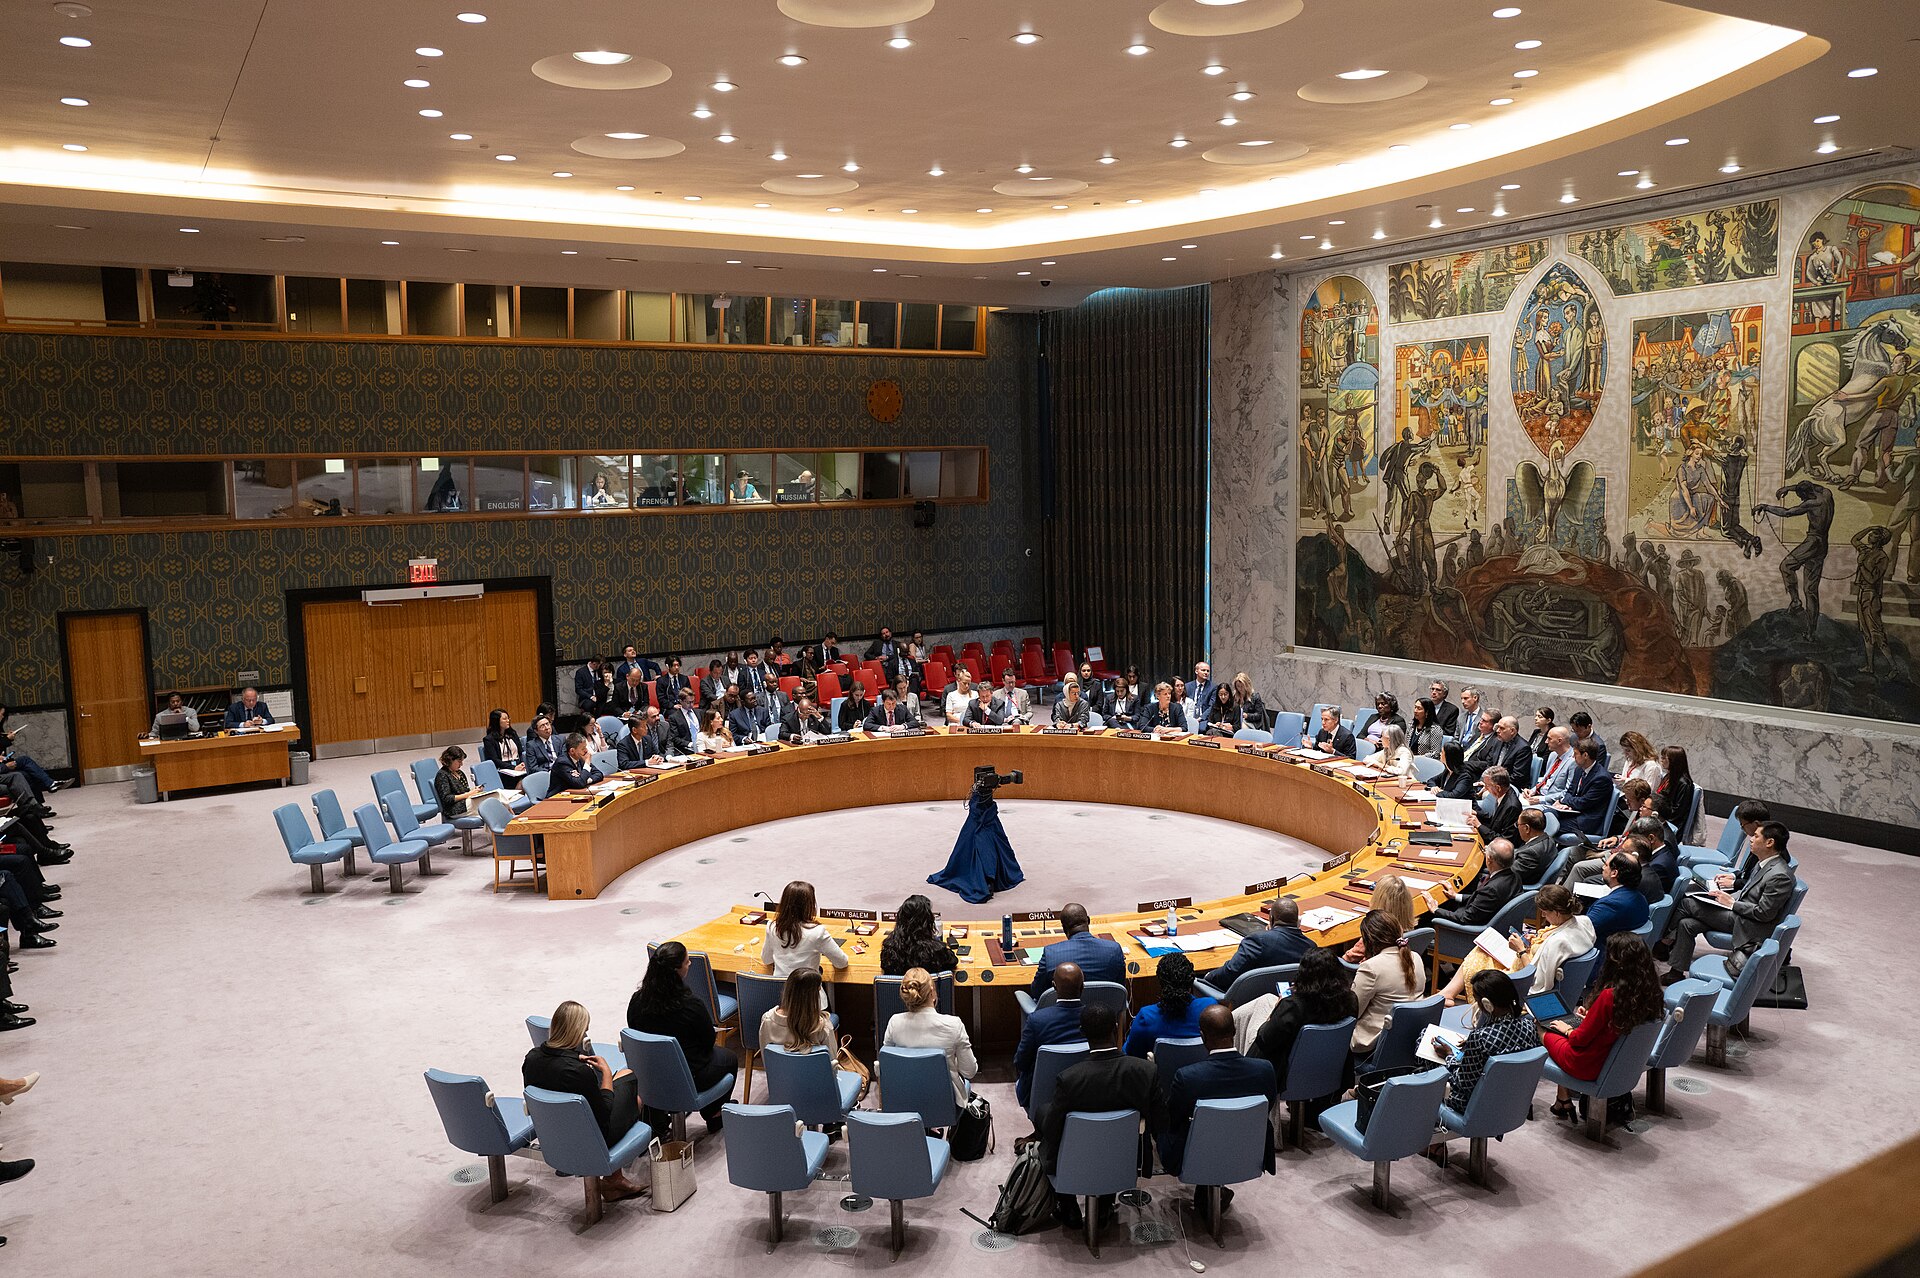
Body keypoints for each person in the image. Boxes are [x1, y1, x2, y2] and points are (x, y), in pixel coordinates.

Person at [1039, 1002, 1160, 1229]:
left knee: (1044, 1116)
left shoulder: (1069, 1079)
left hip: (1074, 1160)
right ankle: (1105, 1204)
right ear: (1116, 1027)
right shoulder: (1146, 1071)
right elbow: (1160, 1122)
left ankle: (1067, 1205)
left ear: (1082, 1032)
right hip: (1128, 1159)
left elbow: (1052, 1132)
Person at [522, 1000, 645, 1199]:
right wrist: (605, 1072)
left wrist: (570, 1057)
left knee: (623, 1081)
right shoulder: (579, 1073)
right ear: (577, 1033)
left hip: (553, 1134)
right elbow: (604, 1112)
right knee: (630, 1082)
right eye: (584, 1031)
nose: (584, 1035)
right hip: (591, 1138)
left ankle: (614, 1180)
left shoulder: (531, 1059)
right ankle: (613, 1181)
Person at [1543, 932, 1662, 1121]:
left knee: (1542, 1029)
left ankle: (1552, 1099)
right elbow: (1614, 1025)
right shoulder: (1650, 992)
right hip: (1613, 1060)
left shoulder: (1609, 996)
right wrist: (1591, 1017)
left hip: (1588, 1063)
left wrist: (1568, 1029)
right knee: (1560, 1028)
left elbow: (1578, 1040)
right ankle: (1562, 1101)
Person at [1159, 1003, 1278, 1184]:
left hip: (1196, 1156)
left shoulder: (1187, 1077)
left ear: (1202, 1036)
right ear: (1235, 1031)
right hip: (1250, 1149)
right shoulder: (1265, 1070)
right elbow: (1267, 1108)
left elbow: (1173, 1121)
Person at [1663, 820, 1795, 980]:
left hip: (1749, 926)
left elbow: (1764, 913)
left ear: (1769, 842)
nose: (1751, 839)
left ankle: (1662, 943)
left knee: (1687, 903)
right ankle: (1676, 973)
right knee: (1687, 924)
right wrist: (1724, 896)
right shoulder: (1765, 862)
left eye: (1756, 836)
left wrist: (1731, 903)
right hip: (1740, 914)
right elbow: (1749, 892)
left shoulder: (1780, 875)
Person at [627, 942, 737, 1132]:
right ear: (678, 970)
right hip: (689, 1074)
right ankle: (713, 1114)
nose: (690, 964)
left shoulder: (637, 1001)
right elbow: (708, 1039)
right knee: (730, 1058)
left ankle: (659, 1116)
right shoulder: (690, 1005)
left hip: (650, 1072)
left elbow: (634, 1030)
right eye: (687, 962)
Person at [1439, 883, 1591, 1004]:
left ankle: (1448, 994)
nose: (1543, 916)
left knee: (1478, 955)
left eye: (1545, 912)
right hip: (1529, 959)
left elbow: (1536, 980)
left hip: (1522, 979)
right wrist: (1534, 941)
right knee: (1481, 950)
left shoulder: (1557, 943)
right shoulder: (1584, 922)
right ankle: (1449, 993)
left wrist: (1521, 951)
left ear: (1557, 912)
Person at [1435, 969, 1541, 1118]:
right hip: (1510, 1103)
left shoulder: (1480, 1038)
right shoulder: (1530, 1027)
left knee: (1427, 1062)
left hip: (1473, 1106)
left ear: (1487, 1004)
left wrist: (1449, 1056)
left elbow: (1463, 1083)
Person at [1250, 947, 1360, 1081]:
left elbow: (1264, 1040)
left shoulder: (1293, 1006)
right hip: (1331, 1071)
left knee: (1255, 1020)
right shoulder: (1351, 1000)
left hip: (1288, 1075)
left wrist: (1276, 1008)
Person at [926, 765, 1026, 903]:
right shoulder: (979, 809)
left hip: (985, 814)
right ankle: (986, 879)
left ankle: (989, 879)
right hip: (981, 815)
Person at [882, 967, 977, 1102]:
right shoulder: (954, 1024)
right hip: (944, 1103)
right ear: (932, 992)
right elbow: (969, 1071)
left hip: (904, 1099)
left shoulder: (894, 1022)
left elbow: (887, 1066)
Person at [1013, 963, 1088, 1112]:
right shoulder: (1096, 1017)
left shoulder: (1037, 1020)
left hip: (1042, 1094)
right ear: (1082, 987)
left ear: (1054, 987)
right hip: (1085, 1090)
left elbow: (1020, 1062)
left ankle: (1040, 1130)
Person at [1350, 910, 1425, 1059]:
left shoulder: (1371, 968)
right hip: (1409, 1037)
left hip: (1373, 1044)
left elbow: (1353, 1012)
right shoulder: (1415, 957)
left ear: (1369, 940)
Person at [1122, 953, 1216, 1057]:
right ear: (1191, 980)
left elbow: (1131, 1053)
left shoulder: (1146, 1017)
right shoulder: (1210, 1009)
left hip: (1160, 1072)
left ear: (1160, 983)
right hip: (1201, 1071)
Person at [761, 880, 850, 988]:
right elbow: (841, 963)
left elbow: (766, 959)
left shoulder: (772, 927)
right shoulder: (817, 932)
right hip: (810, 1000)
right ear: (810, 906)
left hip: (782, 999)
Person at [1027, 902, 1126, 996]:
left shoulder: (1051, 953)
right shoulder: (1114, 949)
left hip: (1065, 1013)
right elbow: (1120, 989)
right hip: (1104, 1012)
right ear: (1088, 920)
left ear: (1064, 928)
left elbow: (1037, 991)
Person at [1211, 897, 1312, 988]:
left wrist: (1207, 976)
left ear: (1271, 919)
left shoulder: (1258, 941)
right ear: (1298, 922)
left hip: (1250, 998)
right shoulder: (1311, 947)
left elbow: (1229, 973)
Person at [1434, 838, 1519, 927]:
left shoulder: (1491, 890)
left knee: (1428, 917)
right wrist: (1456, 896)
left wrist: (1436, 910)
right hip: (1493, 917)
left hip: (1475, 929)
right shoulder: (1515, 876)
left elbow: (1465, 918)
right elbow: (1482, 900)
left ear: (1489, 859)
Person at [758, 968, 836, 1051]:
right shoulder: (823, 1027)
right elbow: (831, 1060)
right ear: (813, 997)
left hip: (777, 1064)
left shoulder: (767, 1020)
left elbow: (766, 1057)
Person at [879, 894, 957, 975]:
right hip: (929, 987)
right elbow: (953, 961)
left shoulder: (889, 948)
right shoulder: (936, 950)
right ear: (927, 922)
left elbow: (884, 967)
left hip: (898, 988)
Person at [1553, 740, 1616, 837]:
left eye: (1575, 754)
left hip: (1587, 821)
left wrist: (1565, 801)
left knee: (1551, 826)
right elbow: (1570, 791)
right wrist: (1565, 804)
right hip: (1574, 813)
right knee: (1544, 817)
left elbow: (1584, 802)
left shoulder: (1601, 778)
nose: (1573, 757)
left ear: (1585, 755)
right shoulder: (1579, 769)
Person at [1585, 852, 1651, 943]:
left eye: (1606, 865)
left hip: (1600, 950)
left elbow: (1583, 932)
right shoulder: (1641, 898)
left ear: (1614, 873)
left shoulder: (1610, 905)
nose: (1603, 868)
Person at [1471, 765, 1522, 843]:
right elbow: (1495, 821)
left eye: (1487, 785)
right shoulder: (1504, 793)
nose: (1485, 788)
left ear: (1498, 788)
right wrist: (1477, 814)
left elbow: (1504, 840)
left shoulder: (1512, 807)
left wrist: (1479, 826)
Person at [1653, 744, 1696, 835]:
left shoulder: (1684, 784)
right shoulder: (1669, 776)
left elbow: (1677, 812)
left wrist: (1657, 817)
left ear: (1673, 761)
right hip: (1660, 816)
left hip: (1671, 824)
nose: (1661, 760)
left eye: (1664, 758)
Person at [431, 745, 484, 818]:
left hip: (465, 803)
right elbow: (447, 798)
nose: (461, 764)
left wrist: (474, 790)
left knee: (488, 802)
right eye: (459, 761)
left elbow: (465, 791)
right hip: (453, 809)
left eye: (462, 761)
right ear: (450, 760)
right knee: (486, 804)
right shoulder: (442, 775)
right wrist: (469, 794)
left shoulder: (460, 773)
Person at [1509, 807, 1556, 885]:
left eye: (1518, 824)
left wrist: (1494, 858)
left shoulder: (1531, 853)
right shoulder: (1549, 839)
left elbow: (1507, 875)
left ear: (1527, 828)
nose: (1517, 828)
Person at [481, 708, 525, 776]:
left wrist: (522, 763)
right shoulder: (489, 739)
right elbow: (495, 760)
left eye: (508, 718)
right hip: (503, 769)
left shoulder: (513, 734)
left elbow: (520, 751)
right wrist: (513, 768)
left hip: (518, 765)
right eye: (504, 719)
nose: (508, 721)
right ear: (496, 721)